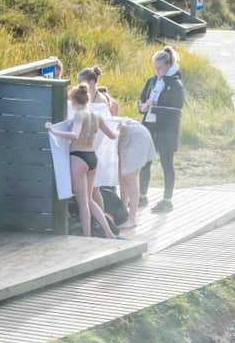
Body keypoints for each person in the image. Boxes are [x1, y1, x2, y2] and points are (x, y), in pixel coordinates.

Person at [46, 85, 118, 239]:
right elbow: (112, 135)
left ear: (73, 100)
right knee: (90, 199)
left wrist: (53, 131)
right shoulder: (96, 115)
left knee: (83, 201)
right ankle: (108, 232)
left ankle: (87, 236)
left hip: (78, 157)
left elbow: (74, 135)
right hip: (92, 157)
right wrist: (119, 129)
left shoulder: (79, 115)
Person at [138, 46, 185, 213]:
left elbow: (176, 110)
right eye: (155, 68)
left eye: (160, 68)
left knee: (166, 163)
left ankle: (167, 201)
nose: (157, 71)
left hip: (167, 130)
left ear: (168, 65)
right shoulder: (151, 81)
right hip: (149, 127)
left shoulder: (176, 84)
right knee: (145, 162)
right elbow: (142, 99)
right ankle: (142, 196)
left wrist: (154, 107)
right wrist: (143, 107)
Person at [116, 117, 156, 229]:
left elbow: (122, 127)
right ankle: (123, 214)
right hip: (125, 137)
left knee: (130, 177)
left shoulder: (96, 117)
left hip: (136, 136)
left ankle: (132, 219)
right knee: (122, 177)